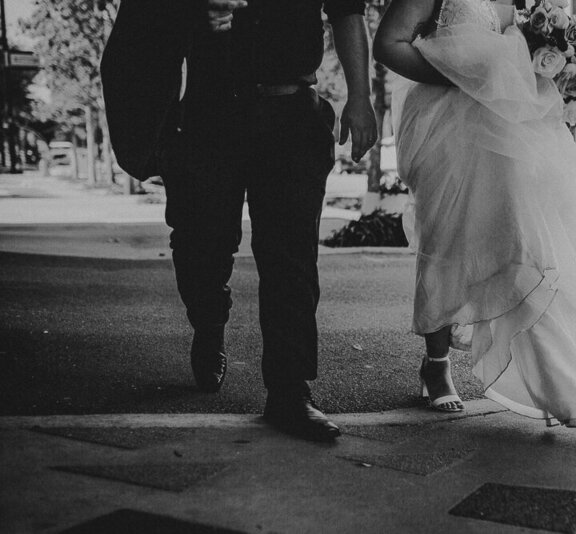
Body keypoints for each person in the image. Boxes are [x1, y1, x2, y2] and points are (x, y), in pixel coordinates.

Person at [102, 0, 377, 441]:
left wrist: (360, 97)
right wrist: (192, 13)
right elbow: (144, 17)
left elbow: (347, 11)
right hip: (207, 118)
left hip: (291, 113)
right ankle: (208, 321)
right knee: (199, 245)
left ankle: (290, 392)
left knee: (292, 259)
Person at [373, 0, 576, 426]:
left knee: (525, 245)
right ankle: (436, 366)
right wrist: (460, 74)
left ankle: (558, 388)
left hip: (508, 133)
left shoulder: (521, 2)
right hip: (445, 133)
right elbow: (388, 44)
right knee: (446, 244)